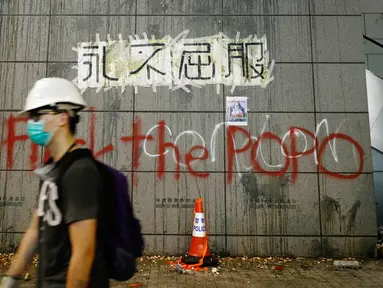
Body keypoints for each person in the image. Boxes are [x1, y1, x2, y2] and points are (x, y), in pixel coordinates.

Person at [0, 77, 109, 288]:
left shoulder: (80, 172)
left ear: (62, 118)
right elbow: (35, 228)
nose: (32, 123)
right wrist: (12, 277)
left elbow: (84, 252)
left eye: (38, 115)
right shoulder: (53, 168)